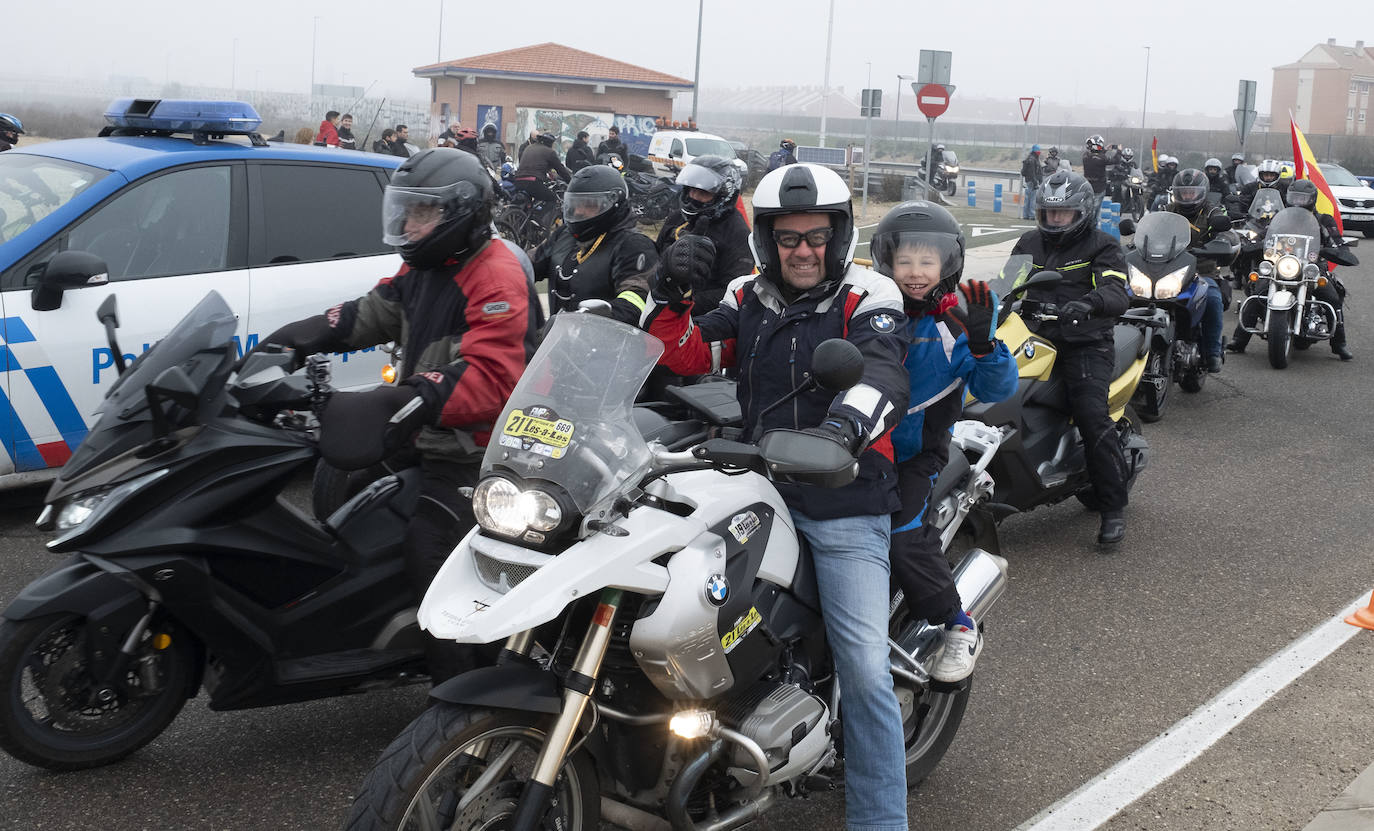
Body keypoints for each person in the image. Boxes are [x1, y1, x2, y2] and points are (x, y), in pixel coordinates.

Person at [642, 162, 912, 831]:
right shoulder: (745, 293)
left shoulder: (868, 294)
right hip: (757, 482)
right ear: (765, 239)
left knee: (867, 669)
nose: (803, 250)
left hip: (842, 496)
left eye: (816, 236)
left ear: (839, 234)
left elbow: (880, 371)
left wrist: (843, 429)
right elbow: (684, 354)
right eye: (787, 237)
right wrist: (670, 292)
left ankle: (882, 820)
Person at [253, 148, 542, 682]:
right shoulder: (425, 264)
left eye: (422, 212)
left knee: (428, 551)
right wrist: (301, 336)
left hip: (479, 454)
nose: (409, 223)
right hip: (430, 434)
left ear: (462, 212)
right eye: (405, 210)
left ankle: (465, 695)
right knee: (348, 511)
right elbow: (372, 313)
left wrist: (405, 399)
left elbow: (492, 376)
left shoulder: (495, 274)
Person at [870, 200, 1018, 682]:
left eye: (926, 261)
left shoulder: (959, 319)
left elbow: (997, 389)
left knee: (903, 535)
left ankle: (958, 624)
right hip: (863, 447)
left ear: (947, 264)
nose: (915, 272)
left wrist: (984, 346)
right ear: (885, 262)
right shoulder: (869, 309)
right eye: (904, 261)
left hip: (918, 454)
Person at [1007, 170, 1130, 545]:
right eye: (1048, 213)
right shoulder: (1029, 242)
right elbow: (1005, 283)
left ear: (1083, 213)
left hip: (1085, 342)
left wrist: (1087, 304)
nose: (1055, 221)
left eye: (1063, 214)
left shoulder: (1102, 245)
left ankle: (1112, 509)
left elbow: (1116, 289)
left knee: (1093, 417)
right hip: (1031, 337)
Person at [1228, 178, 1356, 361]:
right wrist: (1252, 243)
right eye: (1295, 197)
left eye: (1303, 198)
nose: (1298, 202)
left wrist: (1339, 249)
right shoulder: (1280, 218)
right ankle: (1239, 339)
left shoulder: (1323, 220)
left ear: (1312, 199)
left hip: (1311, 267)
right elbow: (1265, 235)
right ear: (1288, 197)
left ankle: (1339, 344)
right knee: (1258, 291)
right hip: (1281, 264)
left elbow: (1337, 240)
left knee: (1331, 296)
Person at [530, 164, 656, 324]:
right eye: (576, 204)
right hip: (558, 340)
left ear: (613, 203)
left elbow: (638, 295)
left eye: (589, 204)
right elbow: (530, 263)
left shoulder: (634, 246)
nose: (579, 211)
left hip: (606, 342)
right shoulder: (564, 235)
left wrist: (606, 314)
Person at [653, 154, 755, 316]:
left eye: (703, 193)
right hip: (658, 300)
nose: (694, 197)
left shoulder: (738, 233)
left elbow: (731, 291)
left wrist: (682, 303)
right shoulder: (676, 218)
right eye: (691, 190)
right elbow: (655, 256)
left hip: (699, 318)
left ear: (723, 194)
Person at [1165, 168, 1230, 373]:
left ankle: (1212, 352)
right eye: (1184, 192)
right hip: (1168, 269)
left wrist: (1216, 243)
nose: (1187, 196)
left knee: (1212, 298)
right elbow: (1150, 228)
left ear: (1202, 192)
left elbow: (1224, 230)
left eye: (1192, 192)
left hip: (1201, 271)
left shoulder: (1212, 211)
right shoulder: (1168, 209)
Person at [512, 132, 572, 214]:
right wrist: (571, 182)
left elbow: (535, 165)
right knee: (553, 199)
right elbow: (561, 169)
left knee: (529, 203)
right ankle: (540, 221)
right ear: (550, 143)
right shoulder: (549, 152)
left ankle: (526, 221)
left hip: (518, 180)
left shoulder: (529, 147)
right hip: (532, 182)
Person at [1021, 144, 1044, 220]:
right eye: (1038, 151)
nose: (1039, 152)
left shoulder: (1031, 158)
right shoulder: (1033, 159)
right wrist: (1035, 182)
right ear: (1036, 151)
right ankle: (1031, 215)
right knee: (1032, 199)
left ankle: (1025, 215)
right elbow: (1032, 172)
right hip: (1032, 181)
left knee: (1027, 199)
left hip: (1028, 181)